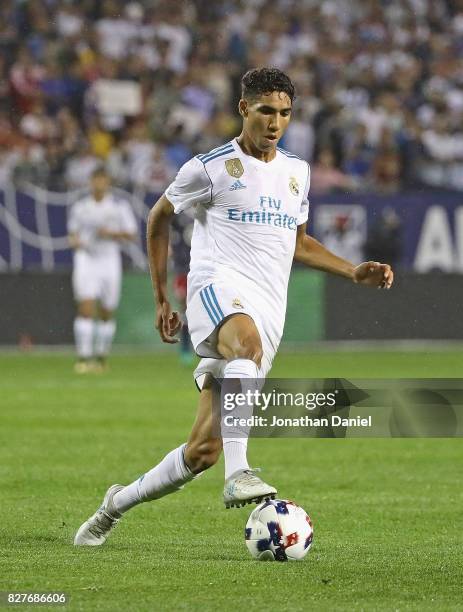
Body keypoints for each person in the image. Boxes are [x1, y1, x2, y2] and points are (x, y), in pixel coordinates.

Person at [74, 68, 393, 546]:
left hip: (268, 307)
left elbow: (297, 243)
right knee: (244, 343)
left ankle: (114, 505)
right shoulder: (210, 168)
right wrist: (163, 296)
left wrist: (350, 271)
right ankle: (240, 472)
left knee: (201, 451)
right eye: (266, 110)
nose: (275, 122)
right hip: (216, 288)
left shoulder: (297, 173)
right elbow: (159, 216)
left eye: (285, 113)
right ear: (244, 109)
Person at [68, 166, 138, 373]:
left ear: (108, 182)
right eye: (95, 180)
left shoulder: (118, 206)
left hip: (109, 260)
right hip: (87, 259)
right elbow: (72, 234)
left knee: (107, 311)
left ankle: (101, 356)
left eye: (102, 180)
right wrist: (76, 242)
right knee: (86, 307)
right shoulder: (81, 207)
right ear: (90, 182)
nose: (99, 184)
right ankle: (83, 357)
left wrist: (111, 234)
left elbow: (131, 235)